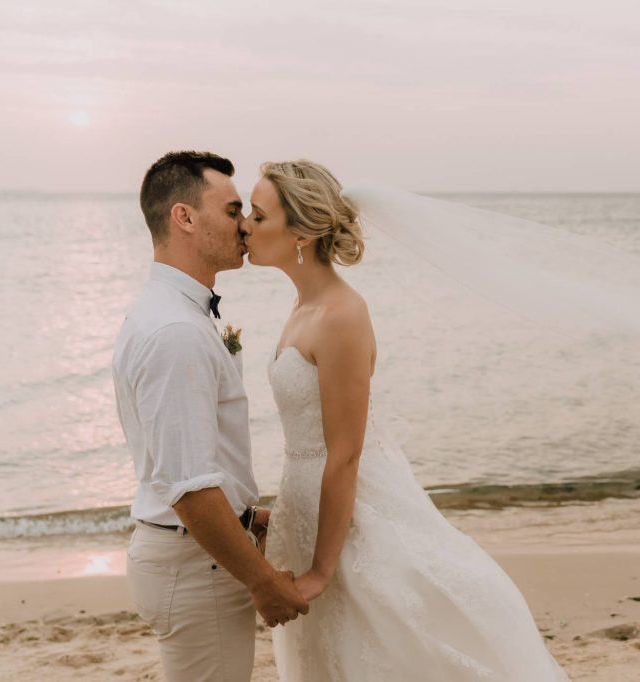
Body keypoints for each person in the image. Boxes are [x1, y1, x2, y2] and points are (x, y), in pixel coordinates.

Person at [241, 160, 571, 680]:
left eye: (257, 217)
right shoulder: (304, 307)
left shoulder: (341, 314)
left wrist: (323, 571)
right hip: (306, 511)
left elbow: (344, 452)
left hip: (355, 520)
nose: (244, 224)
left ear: (301, 231)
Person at [113, 151, 308, 682]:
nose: (244, 225)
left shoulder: (172, 312)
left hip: (193, 553)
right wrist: (262, 580)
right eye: (232, 209)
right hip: (195, 566)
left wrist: (249, 516)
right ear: (184, 217)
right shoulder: (175, 332)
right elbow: (189, 487)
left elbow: (186, 463)